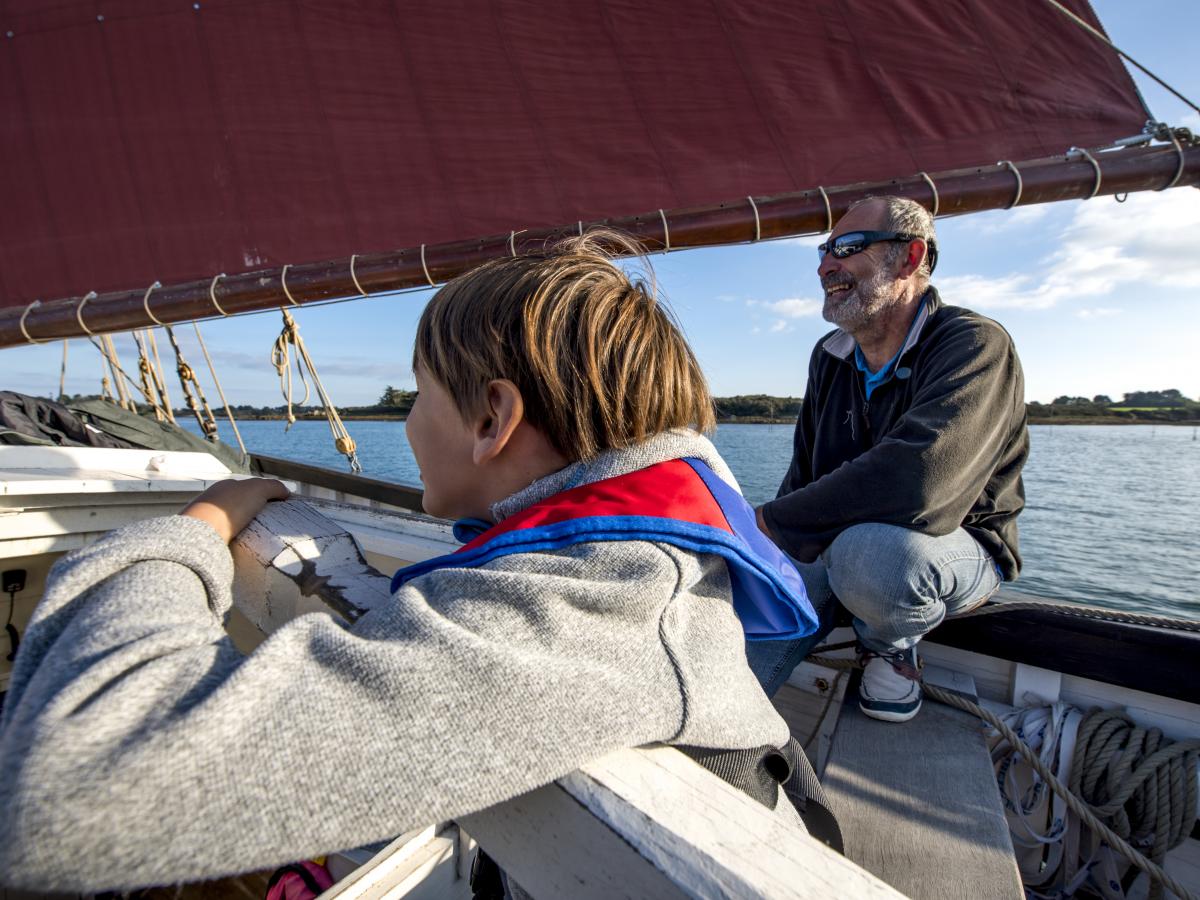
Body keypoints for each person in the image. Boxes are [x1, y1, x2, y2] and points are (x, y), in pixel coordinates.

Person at [0, 231, 819, 892]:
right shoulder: (626, 562)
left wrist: (195, 527)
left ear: (492, 417)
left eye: (419, 392)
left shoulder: (603, 606)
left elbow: (71, 788)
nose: (406, 425)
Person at [747, 196, 1029, 722]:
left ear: (909, 257)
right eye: (824, 251)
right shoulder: (829, 357)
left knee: (870, 556)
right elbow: (803, 476)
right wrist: (763, 548)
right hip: (841, 544)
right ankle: (709, 726)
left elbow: (923, 483)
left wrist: (771, 521)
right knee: (762, 589)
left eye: (848, 247)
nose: (825, 265)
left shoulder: (974, 345)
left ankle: (890, 646)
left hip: (950, 548)